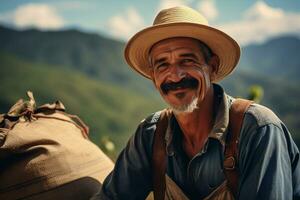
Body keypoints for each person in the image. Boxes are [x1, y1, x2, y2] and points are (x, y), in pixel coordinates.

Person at [95, 6, 300, 200]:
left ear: (212, 67)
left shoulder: (257, 129)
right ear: (153, 77)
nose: (175, 76)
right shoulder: (151, 135)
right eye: (163, 64)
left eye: (187, 60)